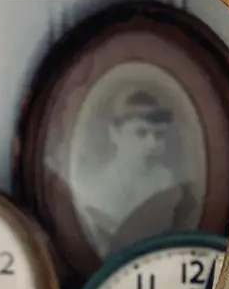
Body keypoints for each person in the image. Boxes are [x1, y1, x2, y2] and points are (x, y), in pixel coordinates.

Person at [75, 85, 201, 257]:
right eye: (141, 133)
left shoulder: (169, 183)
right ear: (115, 134)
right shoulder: (96, 190)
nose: (152, 144)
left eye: (159, 135)